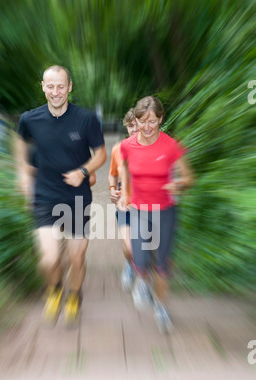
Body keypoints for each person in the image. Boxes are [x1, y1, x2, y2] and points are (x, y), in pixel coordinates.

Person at [15, 65, 107, 326]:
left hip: (77, 197)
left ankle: (75, 296)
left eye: (61, 86)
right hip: (45, 196)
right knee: (50, 259)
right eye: (50, 86)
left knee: (76, 258)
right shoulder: (29, 119)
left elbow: (101, 154)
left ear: (70, 87)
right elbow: (20, 142)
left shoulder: (87, 119)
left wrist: (83, 170)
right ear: (42, 86)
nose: (56, 92)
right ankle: (55, 290)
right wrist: (22, 173)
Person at [118, 96, 193, 333]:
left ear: (160, 119)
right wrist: (123, 194)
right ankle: (142, 280)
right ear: (136, 120)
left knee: (162, 265)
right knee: (140, 261)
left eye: (152, 121)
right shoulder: (127, 146)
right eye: (142, 121)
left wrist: (179, 185)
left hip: (166, 211)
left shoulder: (171, 146)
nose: (147, 126)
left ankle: (161, 307)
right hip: (139, 210)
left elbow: (189, 177)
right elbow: (126, 173)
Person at [108, 108, 138, 291]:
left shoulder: (151, 148)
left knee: (147, 244)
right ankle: (130, 265)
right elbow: (112, 175)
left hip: (148, 203)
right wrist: (113, 189)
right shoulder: (117, 149)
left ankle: (143, 271)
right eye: (130, 125)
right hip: (124, 203)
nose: (134, 129)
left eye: (137, 124)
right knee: (129, 247)